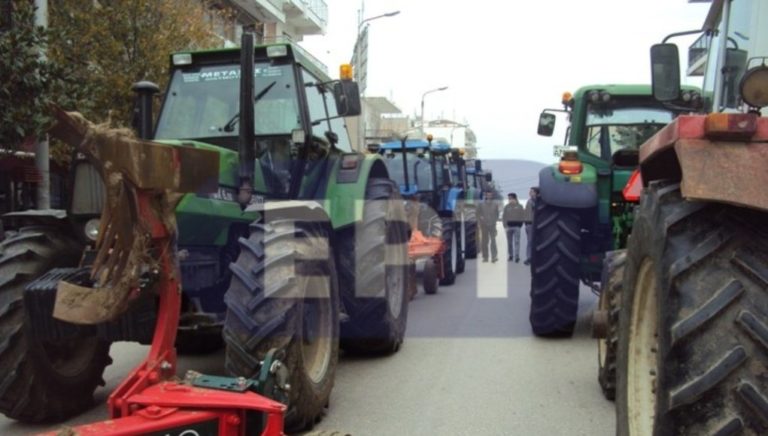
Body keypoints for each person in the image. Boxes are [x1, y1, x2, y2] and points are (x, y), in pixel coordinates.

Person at [477, 190, 500, 262]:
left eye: (490, 195)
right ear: (486, 196)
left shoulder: (495, 204)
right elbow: (477, 213)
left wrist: (495, 221)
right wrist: (481, 217)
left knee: (493, 241)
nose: (489, 196)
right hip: (484, 225)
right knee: (484, 242)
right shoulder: (481, 204)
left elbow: (497, 214)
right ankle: (485, 257)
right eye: (488, 195)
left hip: (492, 225)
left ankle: (494, 257)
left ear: (492, 196)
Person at [502, 193, 525, 262]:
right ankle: (511, 255)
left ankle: (517, 256)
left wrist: (520, 225)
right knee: (509, 243)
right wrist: (505, 226)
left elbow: (522, 216)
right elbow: (504, 217)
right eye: (509, 198)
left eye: (511, 198)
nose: (509, 200)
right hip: (509, 227)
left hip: (517, 227)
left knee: (517, 242)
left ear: (515, 198)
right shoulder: (507, 207)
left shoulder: (520, 206)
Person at [523, 187, 540, 265]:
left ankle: (536, 258)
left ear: (536, 193)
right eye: (530, 192)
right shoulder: (529, 202)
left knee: (537, 242)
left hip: (537, 224)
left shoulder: (539, 202)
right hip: (529, 224)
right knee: (530, 242)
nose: (530, 193)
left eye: (532, 192)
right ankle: (529, 258)